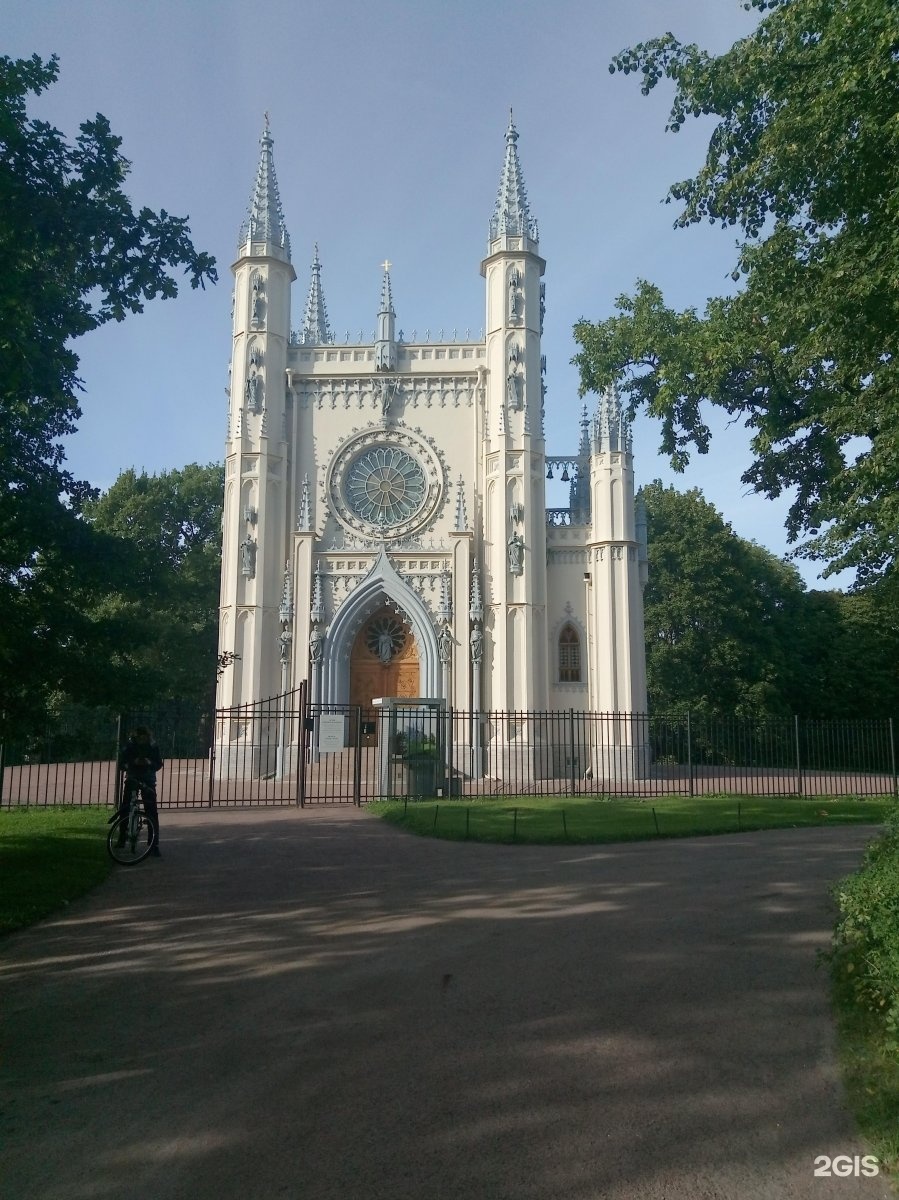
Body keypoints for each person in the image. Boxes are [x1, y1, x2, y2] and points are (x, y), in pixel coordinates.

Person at [117, 726, 164, 857]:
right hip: (133, 777)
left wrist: (149, 762)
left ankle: (154, 843)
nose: (142, 740)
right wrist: (132, 763)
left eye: (144, 737)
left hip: (148, 779)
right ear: (136, 737)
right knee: (126, 806)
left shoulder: (152, 746)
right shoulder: (130, 745)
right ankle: (122, 837)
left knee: (151, 810)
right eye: (139, 737)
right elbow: (122, 763)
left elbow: (159, 764)